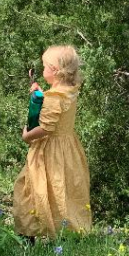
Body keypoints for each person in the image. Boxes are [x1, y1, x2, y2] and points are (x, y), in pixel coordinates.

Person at [13, 45, 92, 239]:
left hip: (49, 151)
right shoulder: (68, 91)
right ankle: (68, 235)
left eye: (44, 66)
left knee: (31, 189)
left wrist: (27, 136)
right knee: (63, 191)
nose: (42, 70)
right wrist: (40, 94)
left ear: (55, 70)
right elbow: (55, 109)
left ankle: (28, 236)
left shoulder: (54, 97)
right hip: (67, 149)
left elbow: (46, 128)